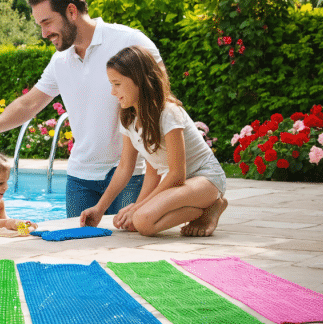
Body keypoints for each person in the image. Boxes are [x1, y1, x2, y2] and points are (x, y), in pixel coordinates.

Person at [0, 0, 166, 219]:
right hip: (80, 178)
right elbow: (29, 103)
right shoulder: (60, 60)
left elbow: (161, 99)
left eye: (47, 22)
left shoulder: (130, 41)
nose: (44, 33)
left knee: (127, 247)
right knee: (76, 248)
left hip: (131, 174)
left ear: (71, 11)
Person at [80, 45, 228, 236]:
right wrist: (100, 208)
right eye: (111, 84)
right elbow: (130, 167)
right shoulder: (129, 118)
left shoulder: (168, 113)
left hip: (205, 180)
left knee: (142, 220)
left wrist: (138, 208)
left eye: (117, 84)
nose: (112, 92)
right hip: (182, 187)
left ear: (139, 80)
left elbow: (177, 174)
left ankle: (212, 206)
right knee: (138, 222)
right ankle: (206, 209)